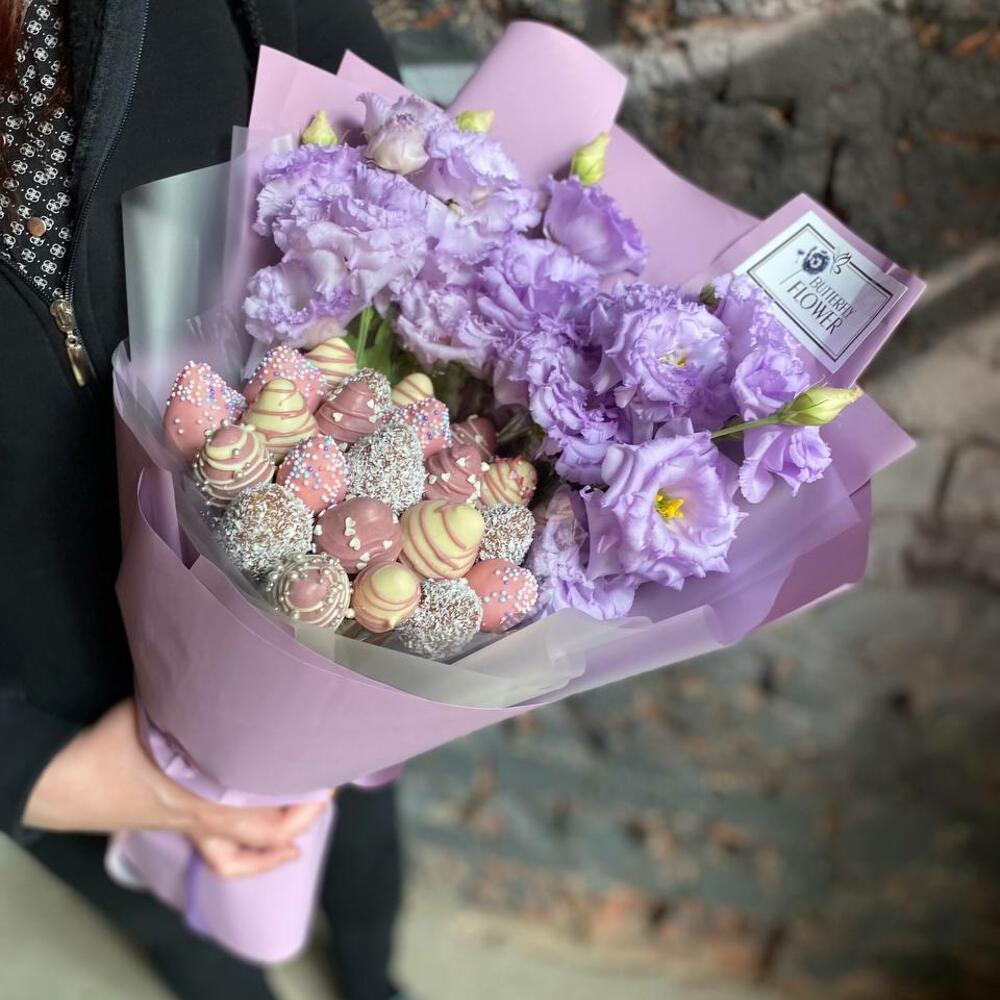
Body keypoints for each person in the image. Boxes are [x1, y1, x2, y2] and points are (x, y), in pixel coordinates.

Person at [0, 2, 404, 998]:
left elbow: (390, 168)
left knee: (357, 844)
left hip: (321, 594)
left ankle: (371, 973)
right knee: (191, 937)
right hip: (51, 712)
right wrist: (33, 771)